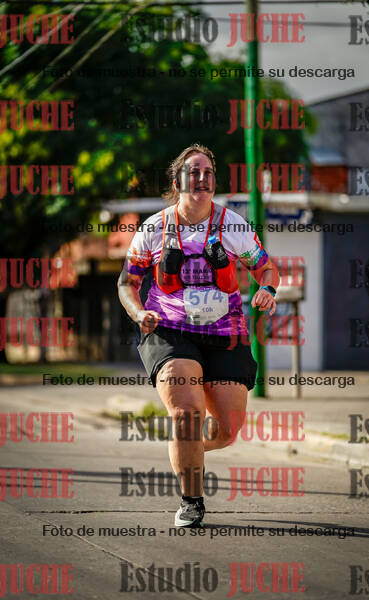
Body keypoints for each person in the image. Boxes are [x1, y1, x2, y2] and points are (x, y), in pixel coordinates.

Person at [118, 143, 280, 527]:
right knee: (187, 414)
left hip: (225, 333)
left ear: (214, 182)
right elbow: (127, 283)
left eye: (208, 172)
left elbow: (266, 269)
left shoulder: (233, 226)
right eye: (193, 172)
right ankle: (191, 500)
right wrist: (138, 312)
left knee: (227, 431)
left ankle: (186, 446)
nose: (201, 178)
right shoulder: (154, 228)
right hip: (169, 330)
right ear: (177, 182)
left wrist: (267, 290)